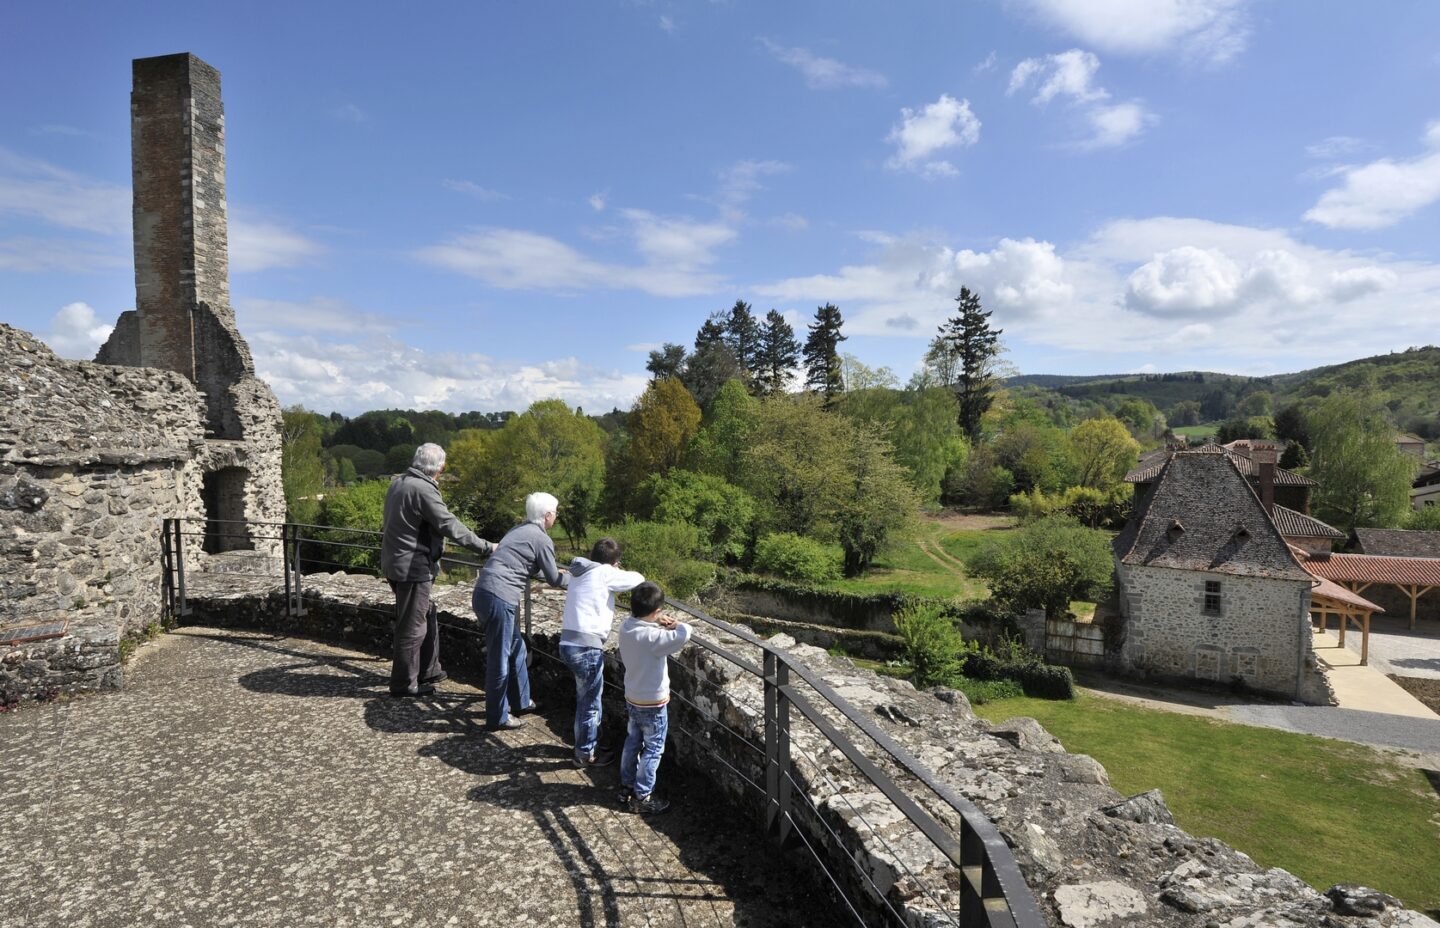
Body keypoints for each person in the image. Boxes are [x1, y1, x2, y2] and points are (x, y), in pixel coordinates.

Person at [381, 443, 495, 698]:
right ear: (441, 468)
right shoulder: (422, 489)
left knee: (425, 613)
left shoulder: (399, 482)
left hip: (395, 561)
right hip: (412, 566)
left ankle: (429, 669)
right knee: (412, 626)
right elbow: (449, 525)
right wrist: (487, 547)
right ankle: (403, 684)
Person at [473, 491, 569, 730]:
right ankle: (497, 717)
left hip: (484, 592)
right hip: (500, 597)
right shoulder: (542, 539)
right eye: (555, 513)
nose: (555, 517)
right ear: (547, 515)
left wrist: (556, 575)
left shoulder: (517, 530)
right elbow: (553, 578)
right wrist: (576, 581)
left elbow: (526, 566)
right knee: (500, 659)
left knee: (517, 647)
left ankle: (522, 702)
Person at [560, 538, 645, 768]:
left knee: (585, 698)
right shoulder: (604, 573)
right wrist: (615, 569)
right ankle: (585, 754)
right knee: (589, 702)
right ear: (614, 561)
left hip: (568, 642)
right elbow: (638, 578)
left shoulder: (580, 571)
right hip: (586, 647)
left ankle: (589, 743)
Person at [617, 581, 692, 814]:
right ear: (656, 611)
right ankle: (643, 796)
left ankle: (626, 786)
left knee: (632, 742)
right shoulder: (652, 638)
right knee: (653, 749)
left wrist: (654, 620)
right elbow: (684, 634)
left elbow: (645, 627)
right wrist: (675, 623)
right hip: (653, 702)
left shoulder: (626, 627)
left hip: (633, 696)